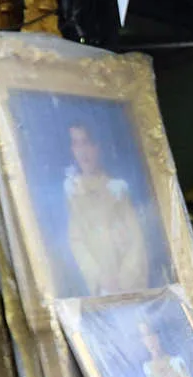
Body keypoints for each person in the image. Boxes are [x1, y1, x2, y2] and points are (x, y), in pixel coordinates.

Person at [64, 123, 155, 295]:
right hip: (99, 285)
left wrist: (124, 279)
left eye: (87, 142)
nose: (83, 151)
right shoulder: (72, 192)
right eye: (76, 143)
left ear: (98, 147)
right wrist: (99, 277)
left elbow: (136, 238)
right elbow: (76, 241)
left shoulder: (117, 189)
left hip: (126, 282)